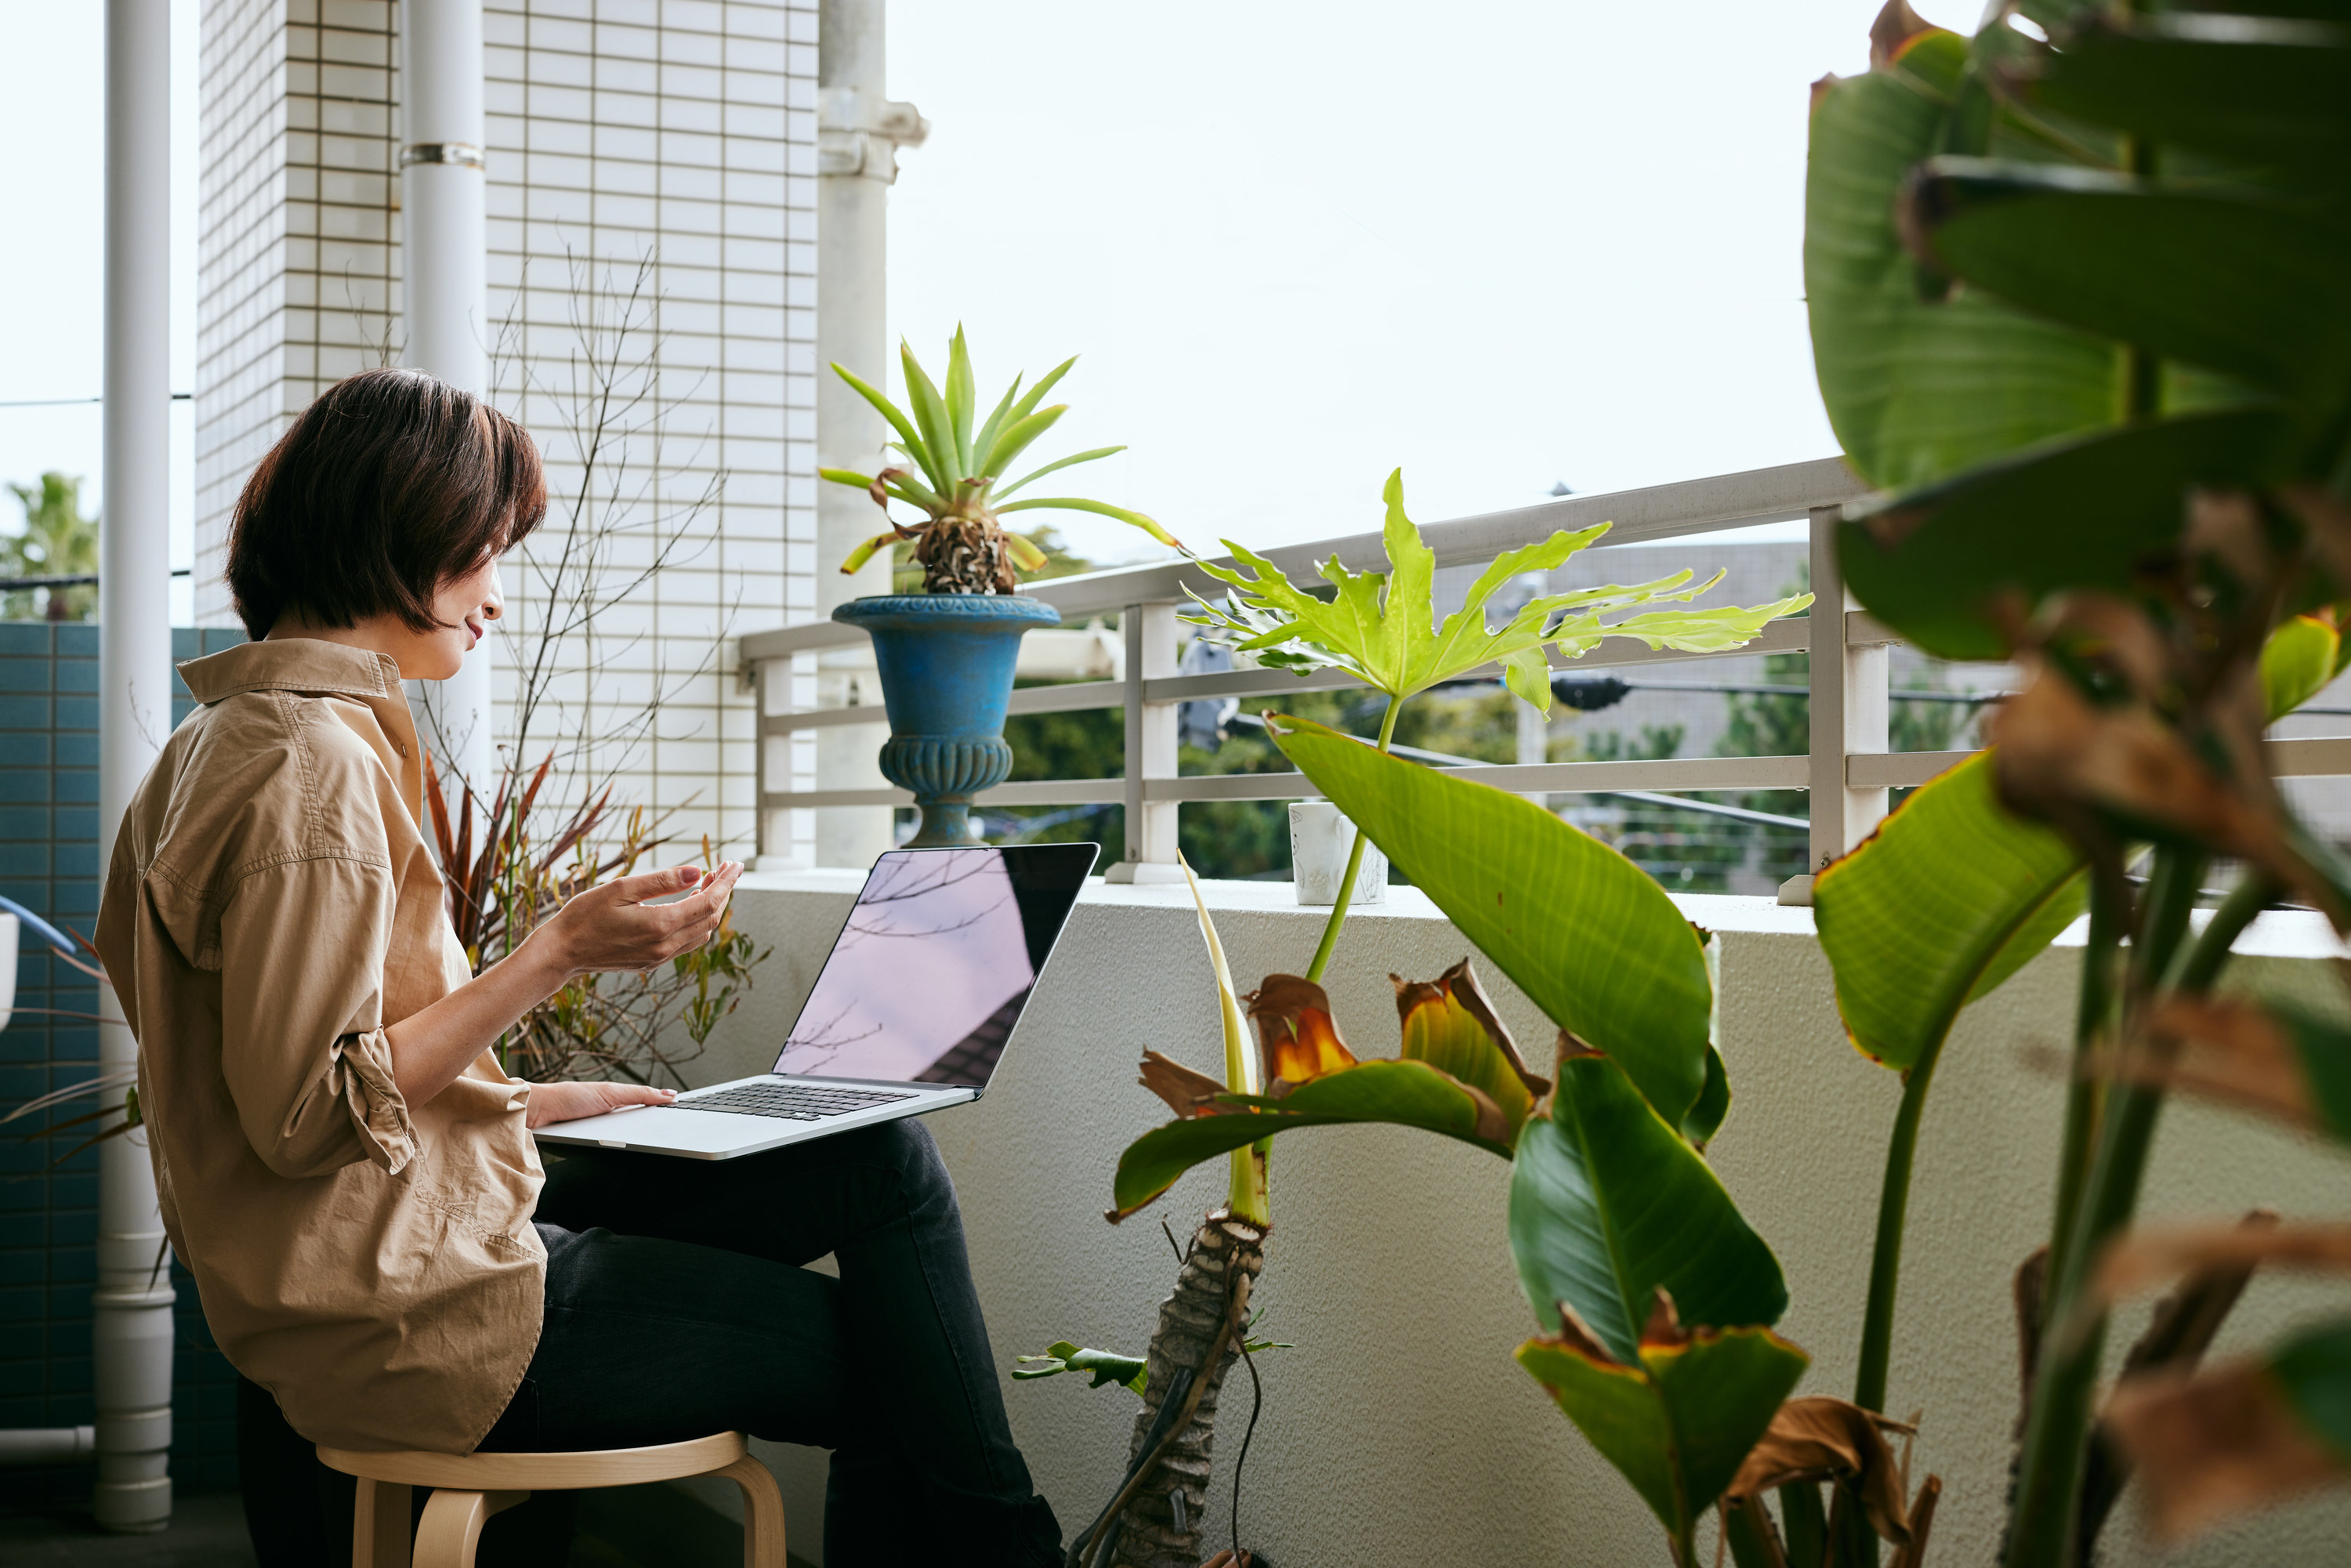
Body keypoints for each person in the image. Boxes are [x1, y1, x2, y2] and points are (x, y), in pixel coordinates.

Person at [92, 368, 1063, 1567]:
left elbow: (264, 1078)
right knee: (903, 1368)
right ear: (402, 532)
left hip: (384, 1253)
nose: (495, 597)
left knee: (873, 1148)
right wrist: (558, 950)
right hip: (426, 1316)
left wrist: (525, 1102)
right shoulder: (313, 766)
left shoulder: (212, 748)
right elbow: (302, 1114)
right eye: (486, 553)